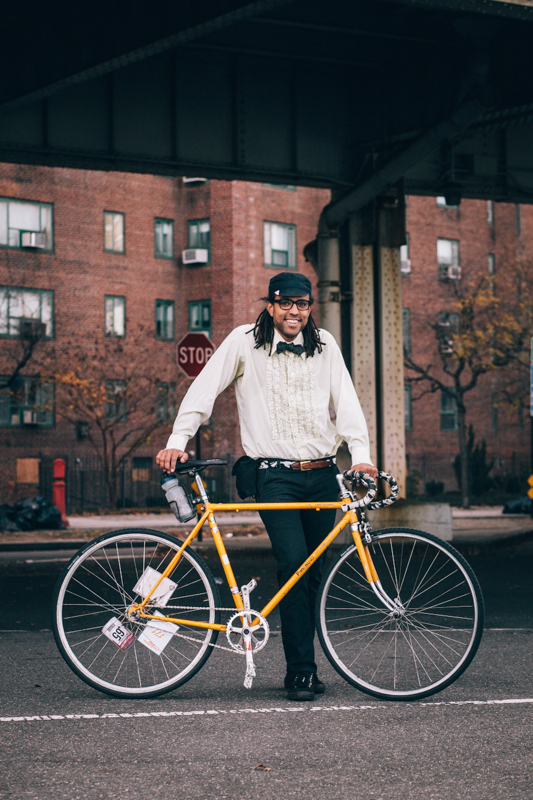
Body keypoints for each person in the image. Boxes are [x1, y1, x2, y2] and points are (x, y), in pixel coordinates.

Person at [156, 271, 377, 701]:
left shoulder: (325, 344)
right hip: (274, 475)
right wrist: (176, 442)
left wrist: (361, 454)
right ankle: (300, 672)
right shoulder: (244, 341)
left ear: (310, 307)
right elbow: (204, 390)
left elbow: (346, 401)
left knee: (313, 574)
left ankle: (304, 667)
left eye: (303, 304)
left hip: (322, 474)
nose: (295, 311)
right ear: (271, 305)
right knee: (294, 565)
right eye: (287, 303)